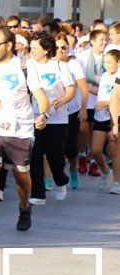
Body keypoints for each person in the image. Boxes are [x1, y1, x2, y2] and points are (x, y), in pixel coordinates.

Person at [0, 26, 49, 237]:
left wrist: (43, 115)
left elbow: (41, 97)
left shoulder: (25, 66)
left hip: (19, 129)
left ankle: (24, 208)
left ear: (9, 46)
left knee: (21, 176)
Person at [27, 32, 76, 206]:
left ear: (46, 49)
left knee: (55, 156)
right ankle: (38, 193)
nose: (31, 50)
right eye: (30, 47)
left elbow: (71, 89)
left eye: (34, 48)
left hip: (58, 119)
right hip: (37, 117)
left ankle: (61, 180)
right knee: (35, 155)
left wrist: (62, 100)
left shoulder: (60, 67)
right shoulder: (29, 65)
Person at [55, 33, 88, 190]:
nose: (61, 50)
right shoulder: (48, 64)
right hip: (54, 113)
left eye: (64, 47)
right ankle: (54, 175)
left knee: (71, 147)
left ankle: (73, 170)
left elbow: (83, 88)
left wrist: (83, 109)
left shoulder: (74, 65)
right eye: (58, 47)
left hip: (72, 111)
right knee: (55, 146)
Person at [90, 49, 120, 192]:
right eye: (105, 62)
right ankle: (105, 171)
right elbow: (102, 94)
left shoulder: (119, 76)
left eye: (109, 62)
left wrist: (107, 103)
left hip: (116, 117)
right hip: (100, 116)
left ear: (118, 62)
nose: (106, 65)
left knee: (114, 151)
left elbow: (116, 98)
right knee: (95, 150)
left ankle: (116, 183)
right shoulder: (104, 76)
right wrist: (90, 90)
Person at [79, 29, 107, 177]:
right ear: (92, 41)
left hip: (101, 103)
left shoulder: (108, 58)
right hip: (85, 100)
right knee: (83, 130)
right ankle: (82, 156)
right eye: (101, 40)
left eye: (105, 39)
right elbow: (79, 80)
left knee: (95, 132)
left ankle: (94, 162)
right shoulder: (82, 57)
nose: (104, 42)